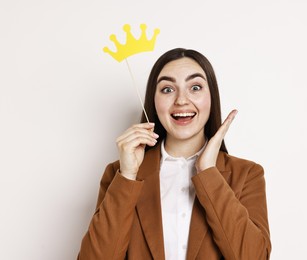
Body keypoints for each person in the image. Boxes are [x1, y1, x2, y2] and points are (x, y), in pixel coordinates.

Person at [78, 48, 271, 259]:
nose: (181, 100)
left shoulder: (247, 174)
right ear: (153, 101)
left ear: (211, 98)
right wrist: (127, 176)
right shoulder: (119, 173)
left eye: (195, 87)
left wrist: (208, 172)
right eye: (168, 89)